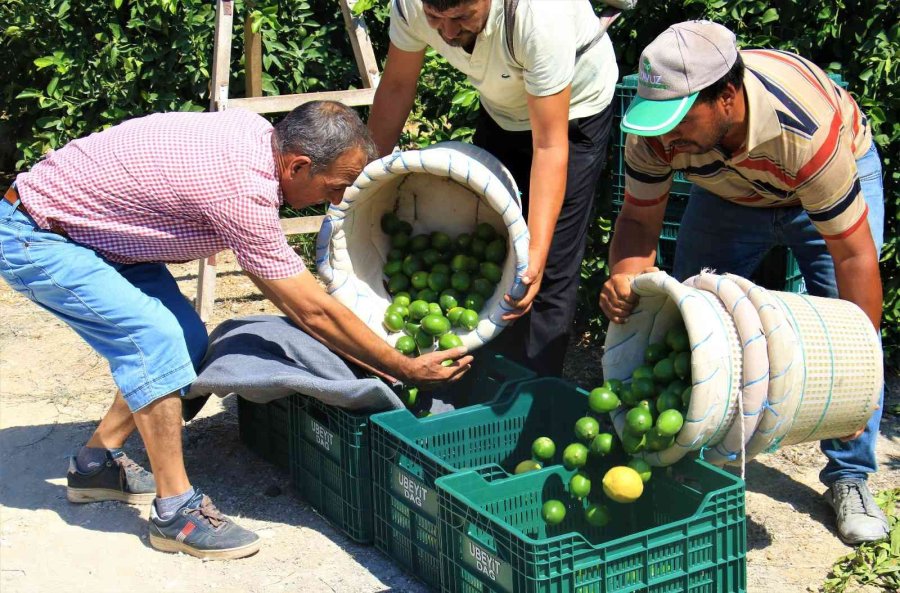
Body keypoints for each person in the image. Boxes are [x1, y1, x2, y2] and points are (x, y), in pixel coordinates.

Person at [0, 100, 473, 560]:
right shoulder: (241, 189)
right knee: (155, 342)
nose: (336, 200)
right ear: (298, 166)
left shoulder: (258, 137)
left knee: (186, 340)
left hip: (106, 233)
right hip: (39, 233)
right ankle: (175, 514)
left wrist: (376, 356)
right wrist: (401, 365)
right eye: (335, 186)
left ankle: (93, 466)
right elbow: (312, 311)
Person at [600, 21, 888, 544]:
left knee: (846, 342)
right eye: (658, 122)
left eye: (679, 120)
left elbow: (854, 259)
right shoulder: (656, 137)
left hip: (820, 181)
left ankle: (849, 476)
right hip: (728, 196)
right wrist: (624, 275)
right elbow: (639, 224)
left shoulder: (804, 129)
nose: (666, 138)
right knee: (690, 325)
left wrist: (861, 385)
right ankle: (689, 457)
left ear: (727, 96)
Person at [368, 0, 633, 376]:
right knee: (489, 233)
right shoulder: (411, 4)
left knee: (547, 267)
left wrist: (536, 254)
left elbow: (550, 146)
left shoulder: (539, 17)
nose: (446, 33)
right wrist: (364, 178)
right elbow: (395, 86)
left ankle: (533, 396)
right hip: (504, 110)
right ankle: (481, 373)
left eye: (461, 18)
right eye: (434, 19)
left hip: (574, 114)